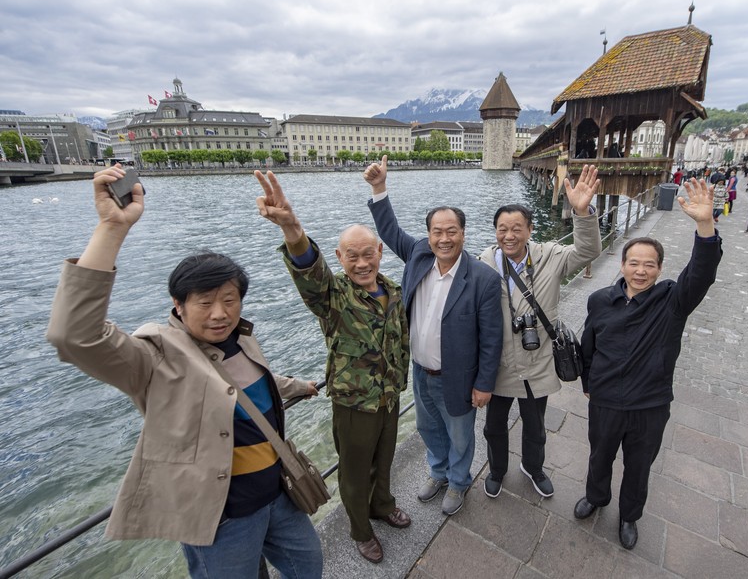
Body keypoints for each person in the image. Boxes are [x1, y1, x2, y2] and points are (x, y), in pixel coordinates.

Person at [45, 167, 323, 579]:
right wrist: (111, 227)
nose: (220, 313)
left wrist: (300, 385)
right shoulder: (156, 356)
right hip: (221, 519)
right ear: (177, 304)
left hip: (279, 497)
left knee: (309, 567)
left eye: (230, 299)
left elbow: (253, 383)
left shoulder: (242, 339)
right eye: (204, 301)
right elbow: (74, 336)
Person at [253, 170, 411, 564]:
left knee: (384, 459)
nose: (361, 263)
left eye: (367, 253)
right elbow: (310, 271)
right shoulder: (333, 296)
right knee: (355, 471)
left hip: (390, 395)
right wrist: (292, 229)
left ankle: (383, 504)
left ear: (379, 251)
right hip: (354, 403)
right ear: (340, 258)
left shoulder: (393, 290)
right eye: (351, 256)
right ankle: (360, 528)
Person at [573, 177, 722, 551]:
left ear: (659, 270)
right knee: (599, 455)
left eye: (649, 265)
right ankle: (596, 497)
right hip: (606, 400)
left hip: (649, 403)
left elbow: (701, 274)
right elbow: (588, 346)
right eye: (634, 263)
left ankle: (629, 515)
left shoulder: (672, 300)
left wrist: (705, 226)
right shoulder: (600, 301)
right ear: (621, 265)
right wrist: (589, 383)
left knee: (639, 466)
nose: (641, 271)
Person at [363, 156, 503, 516]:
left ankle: (458, 482)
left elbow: (491, 337)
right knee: (428, 428)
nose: (444, 239)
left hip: (458, 376)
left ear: (463, 233)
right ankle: (438, 472)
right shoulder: (420, 256)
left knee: (460, 434)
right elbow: (390, 232)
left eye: (451, 231)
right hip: (420, 371)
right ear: (429, 236)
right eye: (437, 232)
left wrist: (484, 383)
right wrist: (379, 189)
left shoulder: (483, 278)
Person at [479, 166, 603, 499]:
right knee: (494, 427)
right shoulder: (484, 263)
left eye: (516, 228)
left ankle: (533, 468)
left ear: (530, 230)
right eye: (502, 229)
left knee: (536, 427)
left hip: (537, 361)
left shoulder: (551, 256)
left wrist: (582, 212)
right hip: (501, 365)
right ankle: (497, 470)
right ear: (495, 232)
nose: (509, 235)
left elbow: (588, 251)